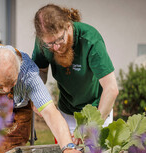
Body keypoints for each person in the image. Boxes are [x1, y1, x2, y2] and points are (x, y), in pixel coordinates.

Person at [32, 4, 119, 137]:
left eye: (60, 40)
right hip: (66, 112)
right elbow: (41, 71)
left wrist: (93, 127)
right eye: (50, 44)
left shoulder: (90, 39)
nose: (56, 47)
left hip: (98, 110)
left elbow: (111, 88)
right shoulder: (43, 43)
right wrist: (36, 95)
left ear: (68, 26)